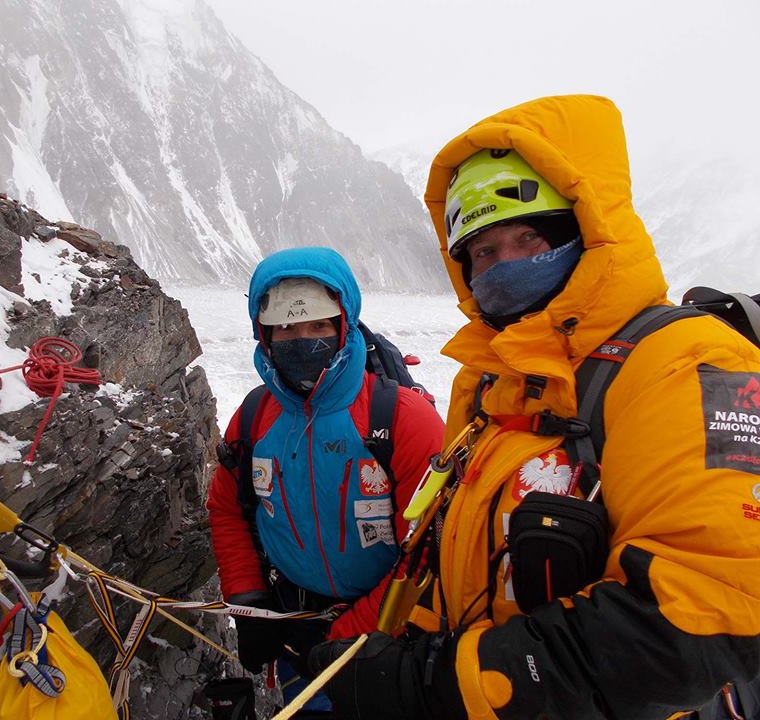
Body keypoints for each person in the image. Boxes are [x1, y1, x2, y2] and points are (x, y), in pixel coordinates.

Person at [309, 95, 760, 719]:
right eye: (484, 252)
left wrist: (445, 683)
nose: (505, 266)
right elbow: (454, 558)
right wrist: (390, 650)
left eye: (529, 237)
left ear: (588, 230)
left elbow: (712, 607)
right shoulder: (491, 383)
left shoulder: (689, 364)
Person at [207, 246, 446, 715]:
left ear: (344, 325)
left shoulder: (402, 418)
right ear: (265, 333)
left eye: (318, 325)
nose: (303, 340)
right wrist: (248, 599)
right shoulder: (254, 418)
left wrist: (345, 635)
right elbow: (228, 509)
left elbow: (432, 550)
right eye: (287, 328)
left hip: (391, 637)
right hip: (296, 628)